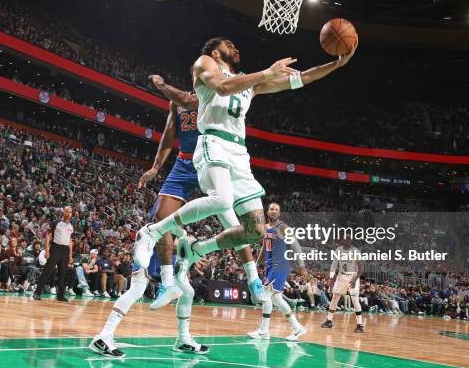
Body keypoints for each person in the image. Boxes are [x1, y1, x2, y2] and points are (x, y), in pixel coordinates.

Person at [135, 36, 354, 299]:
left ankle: (198, 249)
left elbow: (302, 78)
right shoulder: (204, 63)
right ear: (216, 52)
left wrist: (336, 64)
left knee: (255, 230)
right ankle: (154, 231)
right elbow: (223, 87)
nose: (236, 46)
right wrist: (265, 72)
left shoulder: (249, 82)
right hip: (213, 141)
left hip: (239, 152)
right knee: (221, 200)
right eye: (229, 43)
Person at [136, 74, 264, 309]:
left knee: (232, 221)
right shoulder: (179, 102)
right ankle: (166, 283)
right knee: (160, 217)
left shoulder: (221, 93)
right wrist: (155, 167)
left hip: (213, 158)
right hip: (185, 162)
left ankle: (253, 276)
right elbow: (169, 135)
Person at [247, 202, 307, 341]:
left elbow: (296, 246)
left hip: (279, 265)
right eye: (271, 209)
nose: (274, 211)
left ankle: (263, 330)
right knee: (276, 298)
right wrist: (257, 263)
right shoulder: (265, 228)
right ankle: (297, 328)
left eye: (276, 210)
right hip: (269, 266)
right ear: (267, 212)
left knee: (266, 294)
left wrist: (301, 265)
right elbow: (264, 246)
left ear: (279, 213)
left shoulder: (283, 227)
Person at [321, 239, 365, 333]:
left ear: (351, 241)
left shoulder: (356, 251)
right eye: (344, 240)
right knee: (334, 298)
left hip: (352, 276)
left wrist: (355, 279)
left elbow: (361, 268)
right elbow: (334, 264)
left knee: (355, 300)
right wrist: (331, 278)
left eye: (348, 240)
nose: (346, 241)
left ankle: (360, 325)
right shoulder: (338, 250)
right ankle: (329, 321)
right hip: (341, 276)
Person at [33, 206, 74, 302]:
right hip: (55, 248)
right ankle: (37, 293)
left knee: (63, 274)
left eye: (70, 212)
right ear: (63, 212)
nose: (68, 214)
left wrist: (70, 255)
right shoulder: (56, 222)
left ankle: (60, 295)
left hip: (65, 251)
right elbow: (48, 235)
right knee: (47, 271)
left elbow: (70, 241)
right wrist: (47, 250)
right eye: (66, 211)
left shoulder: (72, 226)